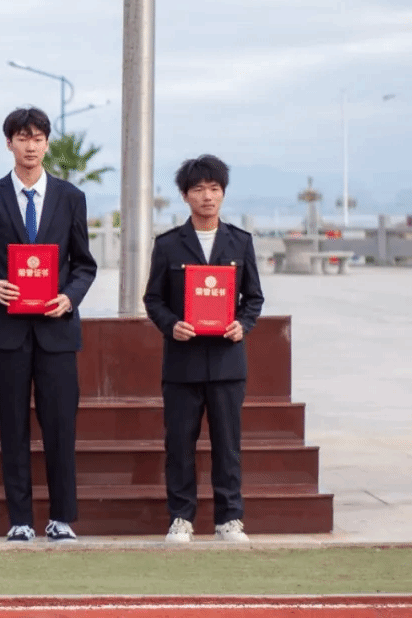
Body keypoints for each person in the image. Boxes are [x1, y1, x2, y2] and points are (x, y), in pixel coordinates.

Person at [0, 107, 98, 542]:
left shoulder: (71, 197)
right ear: (9, 143)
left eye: (38, 138)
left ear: (47, 143)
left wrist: (69, 297)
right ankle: (19, 519)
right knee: (13, 425)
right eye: (22, 138)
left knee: (60, 425)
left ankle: (62, 518)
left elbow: (84, 263)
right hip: (9, 330)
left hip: (57, 330)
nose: (30, 146)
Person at [142, 154, 264, 544]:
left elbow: (254, 298)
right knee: (179, 445)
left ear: (223, 193)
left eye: (214, 188)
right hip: (182, 363)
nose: (207, 196)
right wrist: (170, 325)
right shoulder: (168, 245)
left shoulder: (240, 242)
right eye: (198, 189)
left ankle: (230, 519)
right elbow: (153, 299)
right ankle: (181, 517)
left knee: (228, 446)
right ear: (185, 195)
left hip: (227, 363)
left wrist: (242, 324)